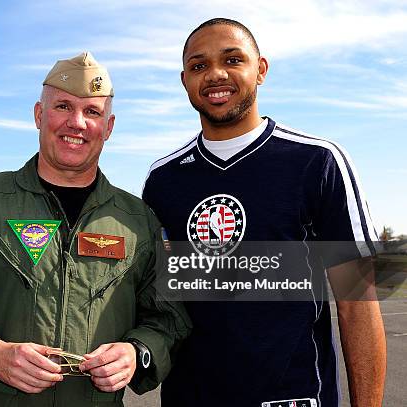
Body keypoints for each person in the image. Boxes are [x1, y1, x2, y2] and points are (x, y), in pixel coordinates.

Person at [0, 52, 190, 406]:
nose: (77, 123)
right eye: (64, 107)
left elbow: (168, 318)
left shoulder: (138, 220)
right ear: (40, 115)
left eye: (92, 112)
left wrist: (136, 351)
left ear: (109, 127)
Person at [143, 18, 386, 407]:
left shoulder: (317, 162)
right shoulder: (163, 179)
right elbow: (158, 299)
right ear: (185, 80)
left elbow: (358, 305)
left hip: (292, 398)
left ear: (261, 70)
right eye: (198, 65)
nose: (215, 75)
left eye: (233, 59)